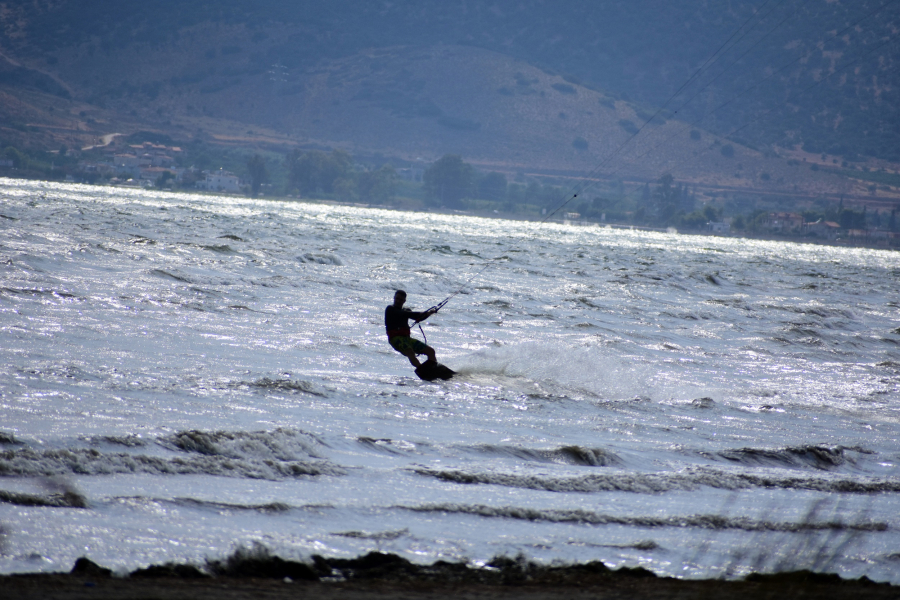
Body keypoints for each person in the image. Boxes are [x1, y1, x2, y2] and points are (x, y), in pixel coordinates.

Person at [384, 290, 437, 367]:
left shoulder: (406, 310)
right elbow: (403, 314)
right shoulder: (390, 309)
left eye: (401, 300)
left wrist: (429, 313)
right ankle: (422, 370)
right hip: (395, 339)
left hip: (407, 339)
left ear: (404, 301)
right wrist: (422, 313)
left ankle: (433, 369)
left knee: (431, 351)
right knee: (410, 351)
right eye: (397, 298)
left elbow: (417, 317)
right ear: (394, 298)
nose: (398, 301)